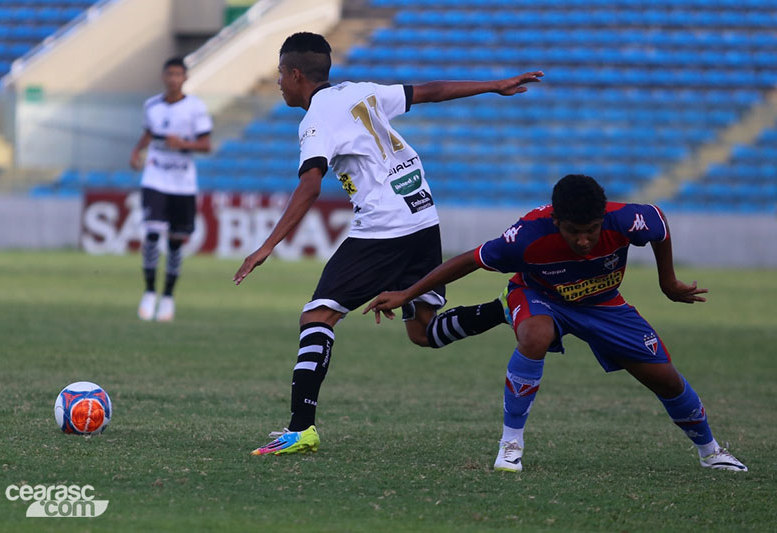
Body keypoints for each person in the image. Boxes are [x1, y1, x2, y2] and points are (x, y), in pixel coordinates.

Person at [233, 31, 544, 455]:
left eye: (280, 76)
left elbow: (309, 185)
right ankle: (505, 308)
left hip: (384, 225)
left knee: (318, 316)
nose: (279, 84)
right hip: (421, 216)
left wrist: (265, 246)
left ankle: (300, 428)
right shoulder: (360, 91)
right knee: (425, 331)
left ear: (295, 74)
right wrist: (493, 84)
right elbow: (429, 91)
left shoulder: (315, 120)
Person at [365, 174, 748, 472]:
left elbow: (659, 225)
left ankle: (711, 451)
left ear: (602, 220)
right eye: (573, 232)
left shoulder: (628, 219)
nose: (584, 241)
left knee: (665, 379)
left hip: (602, 303)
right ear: (556, 219)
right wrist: (407, 293)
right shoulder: (527, 236)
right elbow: (468, 260)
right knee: (535, 335)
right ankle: (511, 444)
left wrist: (668, 282)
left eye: (591, 231)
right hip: (539, 295)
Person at [129, 57, 212, 322]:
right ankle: (149, 291)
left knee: (176, 241)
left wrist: (183, 144)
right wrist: (137, 150)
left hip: (182, 181)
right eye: (170, 74)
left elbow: (206, 145)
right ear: (164, 77)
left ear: (185, 78)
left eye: (179, 74)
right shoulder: (151, 106)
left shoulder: (196, 108)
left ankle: (167, 296)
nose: (174, 78)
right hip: (155, 176)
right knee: (152, 232)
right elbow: (149, 133)